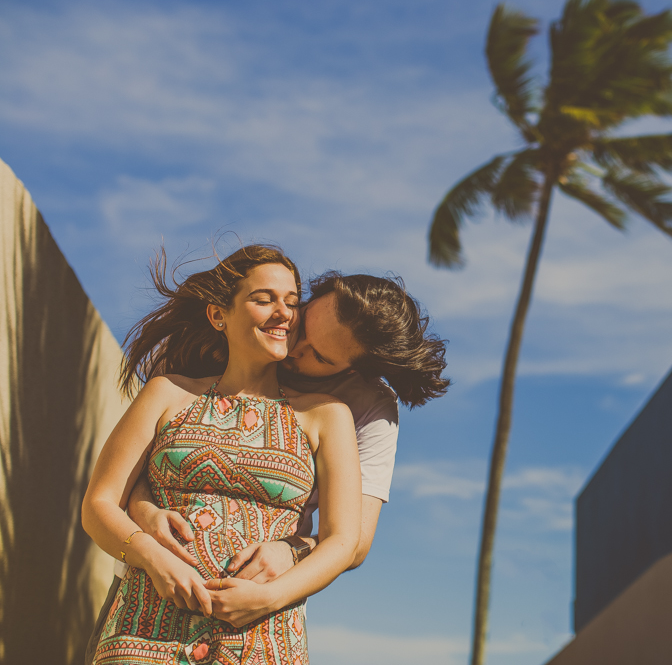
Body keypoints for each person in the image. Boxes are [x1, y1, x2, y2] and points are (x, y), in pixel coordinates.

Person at [82, 245, 448, 664]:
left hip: (259, 624)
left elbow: (352, 541)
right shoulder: (180, 376)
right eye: (301, 318)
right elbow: (123, 479)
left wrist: (286, 555)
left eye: (319, 355)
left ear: (350, 370)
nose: (293, 340)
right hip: (145, 615)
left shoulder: (353, 411)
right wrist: (147, 520)